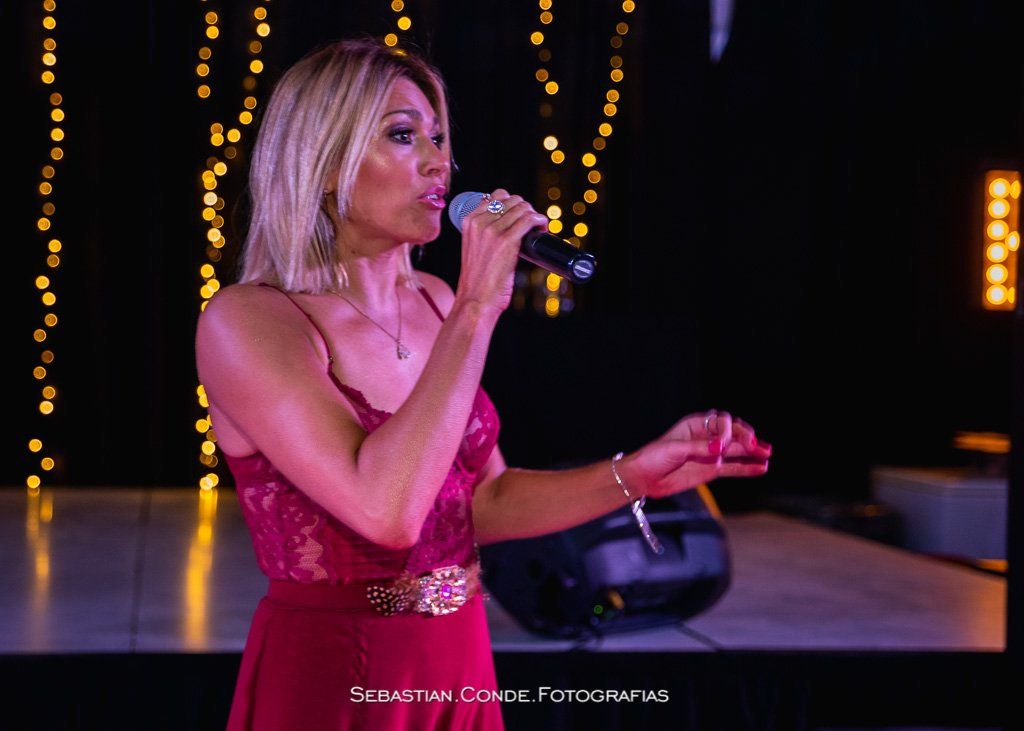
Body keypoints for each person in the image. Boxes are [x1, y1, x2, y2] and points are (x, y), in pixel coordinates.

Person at [195, 38, 772, 731]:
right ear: (322, 163)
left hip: (458, 657)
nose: (439, 162)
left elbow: (481, 503)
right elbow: (386, 512)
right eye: (403, 135)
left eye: (439, 137)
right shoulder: (249, 321)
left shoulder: (435, 301)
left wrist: (636, 474)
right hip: (342, 670)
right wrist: (477, 306)